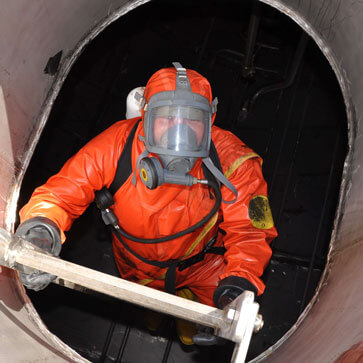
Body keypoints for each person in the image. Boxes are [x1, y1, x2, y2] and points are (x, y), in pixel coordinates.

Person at [16, 62, 277, 345]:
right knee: (147, 310)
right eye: (166, 118)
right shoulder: (115, 145)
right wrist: (41, 230)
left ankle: (189, 317)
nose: (179, 132)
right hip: (137, 266)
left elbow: (250, 233)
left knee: (205, 321)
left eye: (192, 119)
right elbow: (60, 194)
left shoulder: (234, 163)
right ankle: (157, 315)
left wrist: (237, 287)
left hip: (203, 267)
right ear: (145, 116)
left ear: (210, 119)